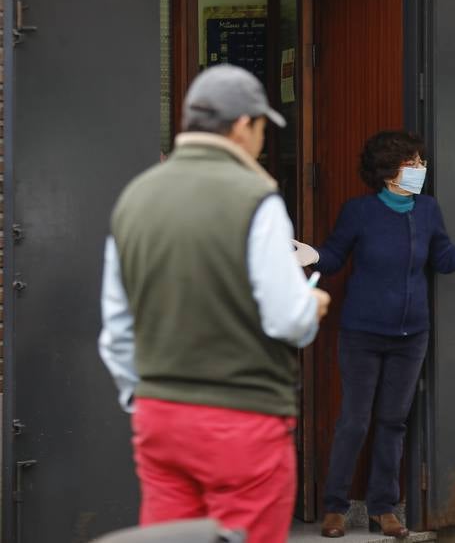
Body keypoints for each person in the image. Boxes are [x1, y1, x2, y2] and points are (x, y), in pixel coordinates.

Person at [99, 64, 330, 543]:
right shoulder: (256, 198)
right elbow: (287, 317)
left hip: (159, 417)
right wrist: (313, 307)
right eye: (263, 127)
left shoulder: (134, 198)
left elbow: (117, 327)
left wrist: (140, 395)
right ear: (244, 125)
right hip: (241, 417)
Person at [294, 130, 455, 539]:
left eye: (421, 162)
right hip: (362, 334)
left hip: (410, 336)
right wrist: (312, 255)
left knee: (392, 422)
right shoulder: (358, 212)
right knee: (354, 421)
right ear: (388, 172)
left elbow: (446, 260)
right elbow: (333, 257)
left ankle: (384, 509)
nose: (422, 169)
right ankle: (335, 508)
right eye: (413, 163)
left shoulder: (427, 210)